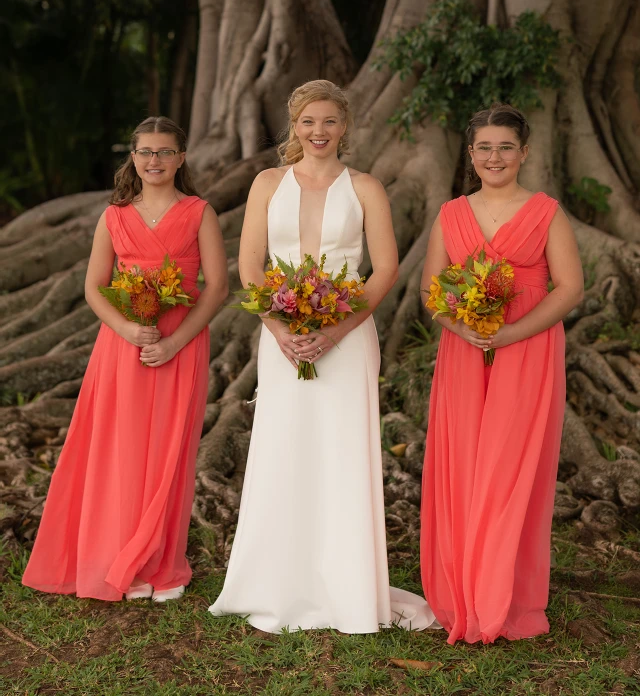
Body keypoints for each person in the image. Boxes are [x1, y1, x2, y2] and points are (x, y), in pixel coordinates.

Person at [209, 80, 439, 633]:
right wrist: (279, 327)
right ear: (295, 125)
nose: (319, 132)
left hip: (347, 336)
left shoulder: (366, 188)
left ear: (345, 127)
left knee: (341, 452)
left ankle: (346, 586)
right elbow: (251, 266)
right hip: (281, 335)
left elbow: (384, 269)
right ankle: (278, 580)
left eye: (330, 122)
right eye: (309, 121)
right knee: (285, 448)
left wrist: (334, 333)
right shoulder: (267, 184)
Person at [22, 116, 228, 602]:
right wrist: (129, 330)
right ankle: (118, 559)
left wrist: (173, 344)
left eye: (164, 152)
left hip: (182, 342)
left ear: (181, 159)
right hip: (122, 345)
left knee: (170, 450)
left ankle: (161, 562)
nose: (153, 161)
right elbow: (94, 287)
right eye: (145, 152)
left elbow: (217, 287)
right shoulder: (114, 215)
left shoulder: (200, 212)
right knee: (121, 450)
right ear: (132, 158)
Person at [420, 103, 584, 643]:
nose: (495, 157)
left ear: (524, 152)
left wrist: (514, 334)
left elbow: (569, 288)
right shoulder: (450, 213)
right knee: (466, 465)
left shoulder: (546, 211)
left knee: (511, 469)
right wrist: (457, 325)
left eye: (505, 147)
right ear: (471, 155)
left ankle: (506, 600)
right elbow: (432, 290)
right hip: (464, 353)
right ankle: (463, 593)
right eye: (485, 148)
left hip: (528, 351)